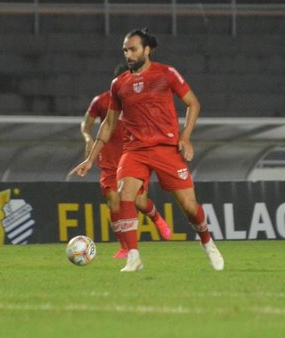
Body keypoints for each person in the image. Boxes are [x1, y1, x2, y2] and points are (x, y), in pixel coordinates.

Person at [70, 28, 224, 272]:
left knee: (189, 206)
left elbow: (193, 103)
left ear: (146, 50)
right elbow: (109, 124)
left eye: (133, 49)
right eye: (125, 50)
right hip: (135, 150)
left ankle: (207, 241)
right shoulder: (119, 84)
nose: (128, 54)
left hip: (166, 148)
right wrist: (91, 159)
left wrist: (186, 136)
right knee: (124, 194)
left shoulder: (166, 74)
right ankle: (134, 256)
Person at [81, 64, 171, 259]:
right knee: (114, 203)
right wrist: (88, 138)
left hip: (133, 158)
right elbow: (86, 124)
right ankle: (125, 247)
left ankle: (156, 217)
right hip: (109, 160)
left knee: (138, 201)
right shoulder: (101, 102)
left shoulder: (141, 100)